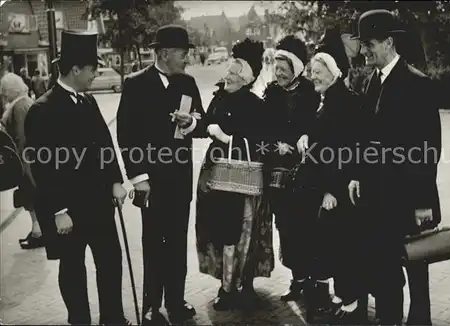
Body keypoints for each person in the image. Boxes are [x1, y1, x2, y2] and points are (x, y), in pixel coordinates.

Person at [23, 30, 130, 325]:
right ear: (75, 70)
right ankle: (79, 320)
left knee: (110, 260)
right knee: (73, 267)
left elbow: (105, 146)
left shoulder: (88, 103)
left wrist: (116, 180)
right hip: (69, 211)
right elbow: (42, 167)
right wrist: (58, 211)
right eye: (93, 69)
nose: (96, 74)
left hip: (99, 204)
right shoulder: (42, 109)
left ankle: (113, 317)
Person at [348, 10, 442, 325]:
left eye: (369, 44)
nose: (364, 51)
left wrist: (423, 203)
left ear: (388, 42)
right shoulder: (370, 81)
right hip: (378, 201)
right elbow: (365, 137)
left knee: (417, 275)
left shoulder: (418, 84)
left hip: (409, 200)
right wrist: (358, 176)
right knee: (386, 277)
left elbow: (429, 150)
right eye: (362, 45)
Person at [116, 24, 205, 325]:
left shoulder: (189, 83)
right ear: (164, 53)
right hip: (150, 183)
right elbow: (126, 135)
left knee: (178, 242)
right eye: (183, 54)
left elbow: (202, 121)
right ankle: (152, 306)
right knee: (154, 243)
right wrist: (139, 178)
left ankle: (176, 301)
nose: (186, 59)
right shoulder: (135, 83)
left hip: (180, 180)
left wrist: (191, 121)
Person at [196, 38, 274, 311]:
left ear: (244, 79)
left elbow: (262, 142)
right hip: (216, 175)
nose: (226, 77)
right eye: (227, 72)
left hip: (244, 179)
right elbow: (204, 124)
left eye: (232, 74)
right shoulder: (219, 97)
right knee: (221, 229)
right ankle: (226, 285)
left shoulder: (254, 104)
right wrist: (194, 123)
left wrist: (228, 137)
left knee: (245, 231)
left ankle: (244, 284)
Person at [300, 31, 366, 324]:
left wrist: (331, 190)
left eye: (318, 71)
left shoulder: (343, 102)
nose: (313, 76)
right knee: (337, 247)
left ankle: (350, 305)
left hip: (338, 192)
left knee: (344, 247)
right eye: (312, 71)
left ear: (333, 71)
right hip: (331, 189)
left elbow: (346, 151)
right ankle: (344, 299)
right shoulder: (330, 98)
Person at [262, 35, 320, 307]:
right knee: (285, 228)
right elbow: (261, 131)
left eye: (284, 67)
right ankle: (297, 279)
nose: (279, 72)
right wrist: (275, 145)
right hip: (278, 174)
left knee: (308, 226)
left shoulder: (311, 91)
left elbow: (318, 127)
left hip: (306, 172)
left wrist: (304, 138)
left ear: (296, 67)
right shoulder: (271, 93)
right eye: (276, 66)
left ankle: (314, 281)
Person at [0, 73, 43, 249]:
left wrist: (20, 163)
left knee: (31, 196)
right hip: (26, 159)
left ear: (12, 91)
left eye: (4, 91)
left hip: (25, 161)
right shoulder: (22, 103)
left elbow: (21, 137)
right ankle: (37, 230)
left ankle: (38, 232)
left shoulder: (20, 106)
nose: (2, 95)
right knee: (29, 197)